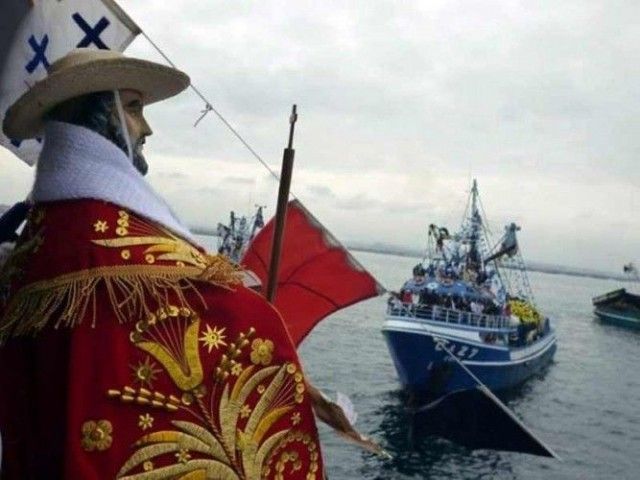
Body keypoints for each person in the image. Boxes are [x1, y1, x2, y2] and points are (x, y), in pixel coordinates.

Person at [0, 49, 326, 479]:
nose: (146, 127)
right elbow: (234, 321)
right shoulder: (109, 245)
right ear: (100, 118)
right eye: (133, 108)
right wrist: (259, 320)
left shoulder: (39, 239)